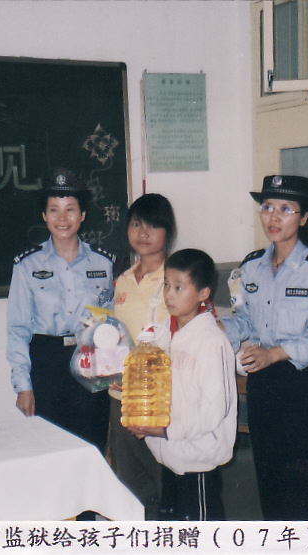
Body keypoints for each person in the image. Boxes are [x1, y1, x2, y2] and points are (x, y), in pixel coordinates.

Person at [220, 175, 308, 521]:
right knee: (271, 481)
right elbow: (244, 321)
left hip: (302, 387)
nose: (273, 217)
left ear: (303, 218)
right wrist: (216, 328)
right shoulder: (250, 267)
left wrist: (273, 353)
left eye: (286, 209)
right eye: (267, 207)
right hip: (263, 386)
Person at [7, 167, 114, 452]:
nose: (62, 218)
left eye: (70, 210)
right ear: (44, 215)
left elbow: (110, 324)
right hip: (46, 364)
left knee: (91, 449)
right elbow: (18, 330)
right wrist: (23, 385)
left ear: (83, 215)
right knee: (49, 452)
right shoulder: (27, 266)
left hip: (89, 362)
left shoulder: (103, 264)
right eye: (54, 210)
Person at [128, 248, 237, 521]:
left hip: (198, 461)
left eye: (179, 287)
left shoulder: (211, 341)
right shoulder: (161, 333)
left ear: (203, 293)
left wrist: (164, 429)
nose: (169, 294)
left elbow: (212, 412)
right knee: (173, 529)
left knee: (201, 531)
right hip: (168, 455)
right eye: (166, 284)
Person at [109, 193, 176, 520]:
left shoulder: (175, 278)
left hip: (158, 396)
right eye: (136, 224)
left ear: (168, 232)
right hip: (120, 394)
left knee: (162, 475)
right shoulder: (122, 279)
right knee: (130, 475)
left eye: (152, 226)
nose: (143, 233)